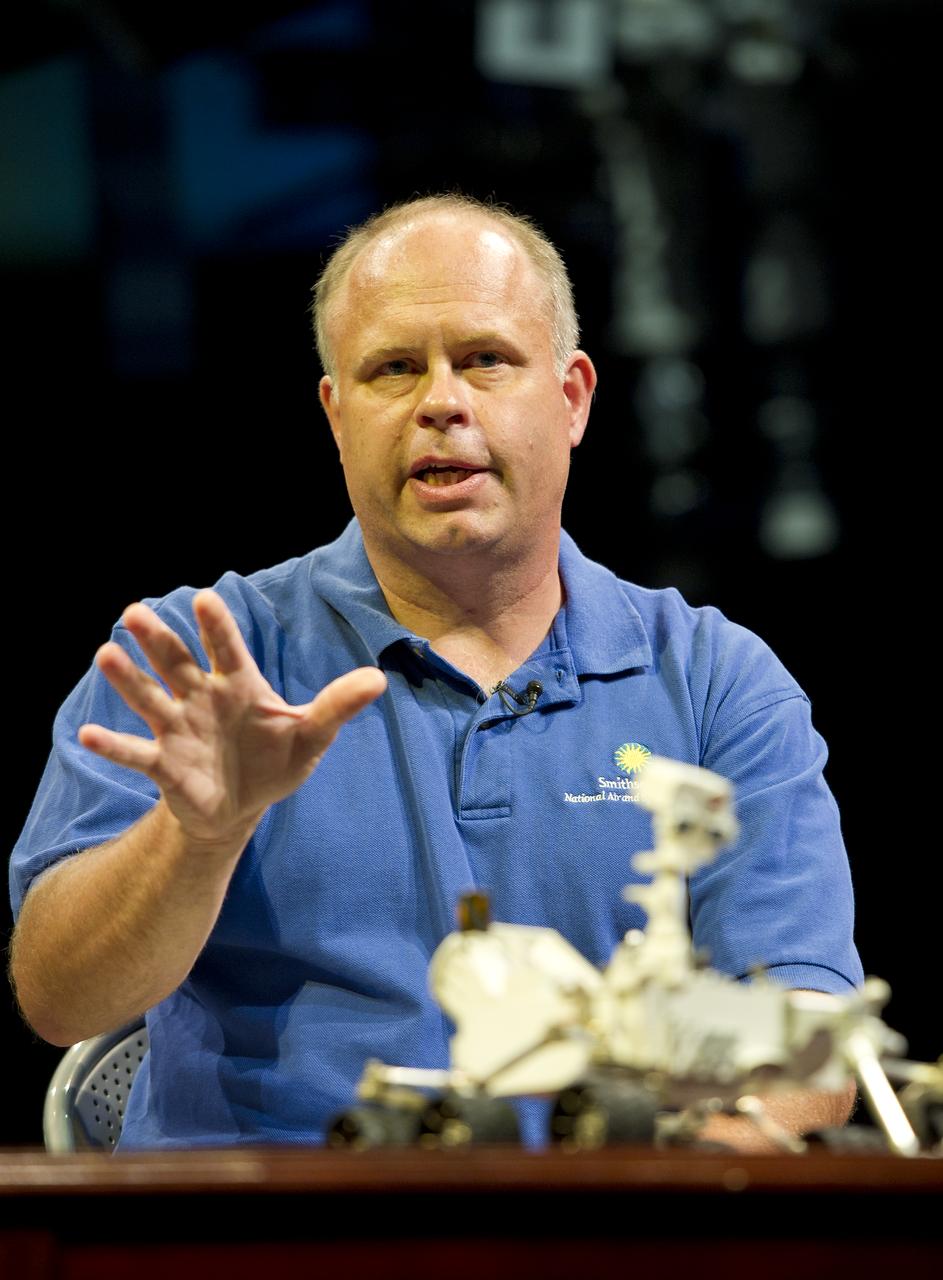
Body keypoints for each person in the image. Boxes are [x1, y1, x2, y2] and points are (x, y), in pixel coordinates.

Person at [8, 194, 862, 1150]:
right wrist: (198, 837)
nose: (440, 402)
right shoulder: (201, 660)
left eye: (485, 359)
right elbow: (60, 999)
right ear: (336, 416)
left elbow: (804, 1033)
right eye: (393, 369)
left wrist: (662, 1197)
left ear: (572, 398)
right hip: (265, 1222)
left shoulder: (713, 683)